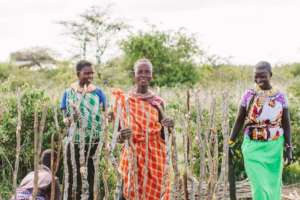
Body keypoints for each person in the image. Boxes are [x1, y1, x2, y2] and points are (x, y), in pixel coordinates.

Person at [229, 61, 293, 200]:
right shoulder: (249, 95)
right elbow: (239, 119)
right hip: (252, 147)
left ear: (270, 75)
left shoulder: (280, 97)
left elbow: (286, 124)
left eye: (262, 76)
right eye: (256, 76)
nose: (259, 80)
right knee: (259, 188)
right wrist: (230, 142)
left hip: (274, 148)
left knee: (272, 187)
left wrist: (288, 147)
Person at [112, 58, 174, 200]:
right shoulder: (124, 102)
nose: (144, 75)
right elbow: (117, 137)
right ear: (134, 75)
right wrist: (122, 135)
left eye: (147, 72)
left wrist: (169, 128)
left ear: (152, 75)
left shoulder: (158, 103)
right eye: (140, 72)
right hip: (132, 155)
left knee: (156, 193)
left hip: (155, 157)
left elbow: (163, 137)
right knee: (127, 192)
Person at [60, 60, 106, 200]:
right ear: (77, 74)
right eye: (86, 73)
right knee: (73, 175)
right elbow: (64, 120)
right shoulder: (68, 93)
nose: (90, 76)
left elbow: (106, 115)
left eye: (92, 73)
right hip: (74, 141)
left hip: (94, 141)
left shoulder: (98, 92)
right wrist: (70, 119)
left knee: (92, 175)